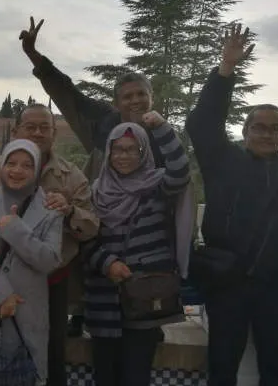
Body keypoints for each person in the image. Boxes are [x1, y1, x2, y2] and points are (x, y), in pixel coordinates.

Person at [185, 25, 278, 386]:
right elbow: (202, 124)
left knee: (277, 369)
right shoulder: (223, 161)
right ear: (245, 132)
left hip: (276, 290)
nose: (266, 133)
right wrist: (225, 70)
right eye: (258, 127)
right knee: (222, 367)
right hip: (227, 284)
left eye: (274, 128)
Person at [0, 104, 97, 386]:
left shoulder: (72, 176)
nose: (38, 133)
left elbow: (90, 227)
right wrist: (0, 291)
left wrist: (69, 211)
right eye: (30, 127)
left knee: (49, 349)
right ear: (16, 131)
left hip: (52, 281)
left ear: (54, 133)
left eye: (44, 127)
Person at [85, 114, 192, 386]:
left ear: (143, 152)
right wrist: (107, 263)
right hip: (104, 299)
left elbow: (181, 171)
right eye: (118, 150)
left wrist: (161, 128)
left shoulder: (156, 187)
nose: (124, 156)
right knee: (105, 377)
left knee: (136, 376)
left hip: (145, 298)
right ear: (109, 153)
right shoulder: (96, 193)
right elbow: (85, 238)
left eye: (132, 150)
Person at [0, 139, 65, 383]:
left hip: (27, 317)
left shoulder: (51, 210)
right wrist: (3, 294)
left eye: (26, 165)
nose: (17, 170)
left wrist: (15, 231)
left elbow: (50, 260)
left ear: (36, 170)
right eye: (11, 163)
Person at [19, 17, 160, 181]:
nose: (135, 101)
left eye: (141, 94)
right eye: (127, 97)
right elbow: (65, 90)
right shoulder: (101, 123)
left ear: (152, 98)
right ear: (116, 103)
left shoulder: (163, 135)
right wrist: (32, 53)